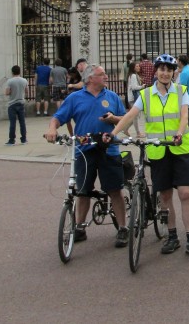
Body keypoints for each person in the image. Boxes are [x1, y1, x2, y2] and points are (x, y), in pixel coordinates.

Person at [111, 53, 189, 259]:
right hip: (157, 149)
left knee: (185, 193)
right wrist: (113, 133)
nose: (165, 73)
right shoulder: (145, 95)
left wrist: (180, 133)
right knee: (165, 196)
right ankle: (172, 236)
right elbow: (129, 116)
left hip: (179, 149)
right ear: (156, 71)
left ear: (173, 73)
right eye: (162, 69)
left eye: (169, 70)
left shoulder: (181, 92)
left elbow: (184, 116)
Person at [45, 64, 129, 248]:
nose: (106, 76)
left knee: (115, 190)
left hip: (109, 149)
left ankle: (123, 228)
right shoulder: (75, 98)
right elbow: (58, 117)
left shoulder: (112, 96)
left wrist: (113, 119)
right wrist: (52, 129)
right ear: (90, 78)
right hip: (84, 151)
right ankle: (80, 228)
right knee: (83, 191)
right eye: (102, 74)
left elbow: (126, 118)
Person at [4, 65, 28, 145]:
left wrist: (11, 92)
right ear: (19, 71)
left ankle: (11, 140)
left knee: (12, 123)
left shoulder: (10, 81)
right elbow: (26, 91)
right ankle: (24, 139)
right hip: (21, 102)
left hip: (12, 104)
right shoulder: (24, 80)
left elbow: (7, 92)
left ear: (12, 72)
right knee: (22, 122)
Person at [125, 61, 144, 137]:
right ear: (133, 68)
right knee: (135, 116)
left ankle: (125, 129)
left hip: (133, 97)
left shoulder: (134, 75)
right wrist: (142, 86)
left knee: (134, 115)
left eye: (138, 66)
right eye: (137, 66)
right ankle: (138, 133)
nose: (138, 67)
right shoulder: (133, 75)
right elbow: (134, 87)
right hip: (133, 98)